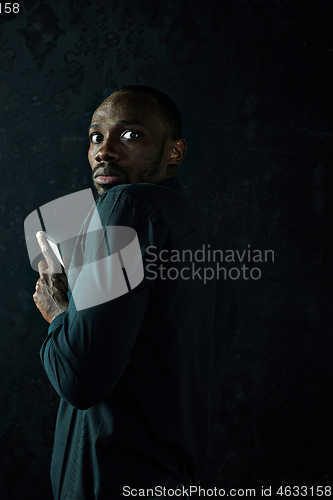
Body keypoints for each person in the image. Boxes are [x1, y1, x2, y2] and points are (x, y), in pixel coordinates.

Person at [33, 85, 236, 499]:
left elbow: (79, 380)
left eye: (130, 135)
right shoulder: (193, 228)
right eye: (95, 137)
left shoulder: (126, 204)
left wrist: (58, 311)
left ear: (174, 152)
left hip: (110, 478)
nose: (104, 151)